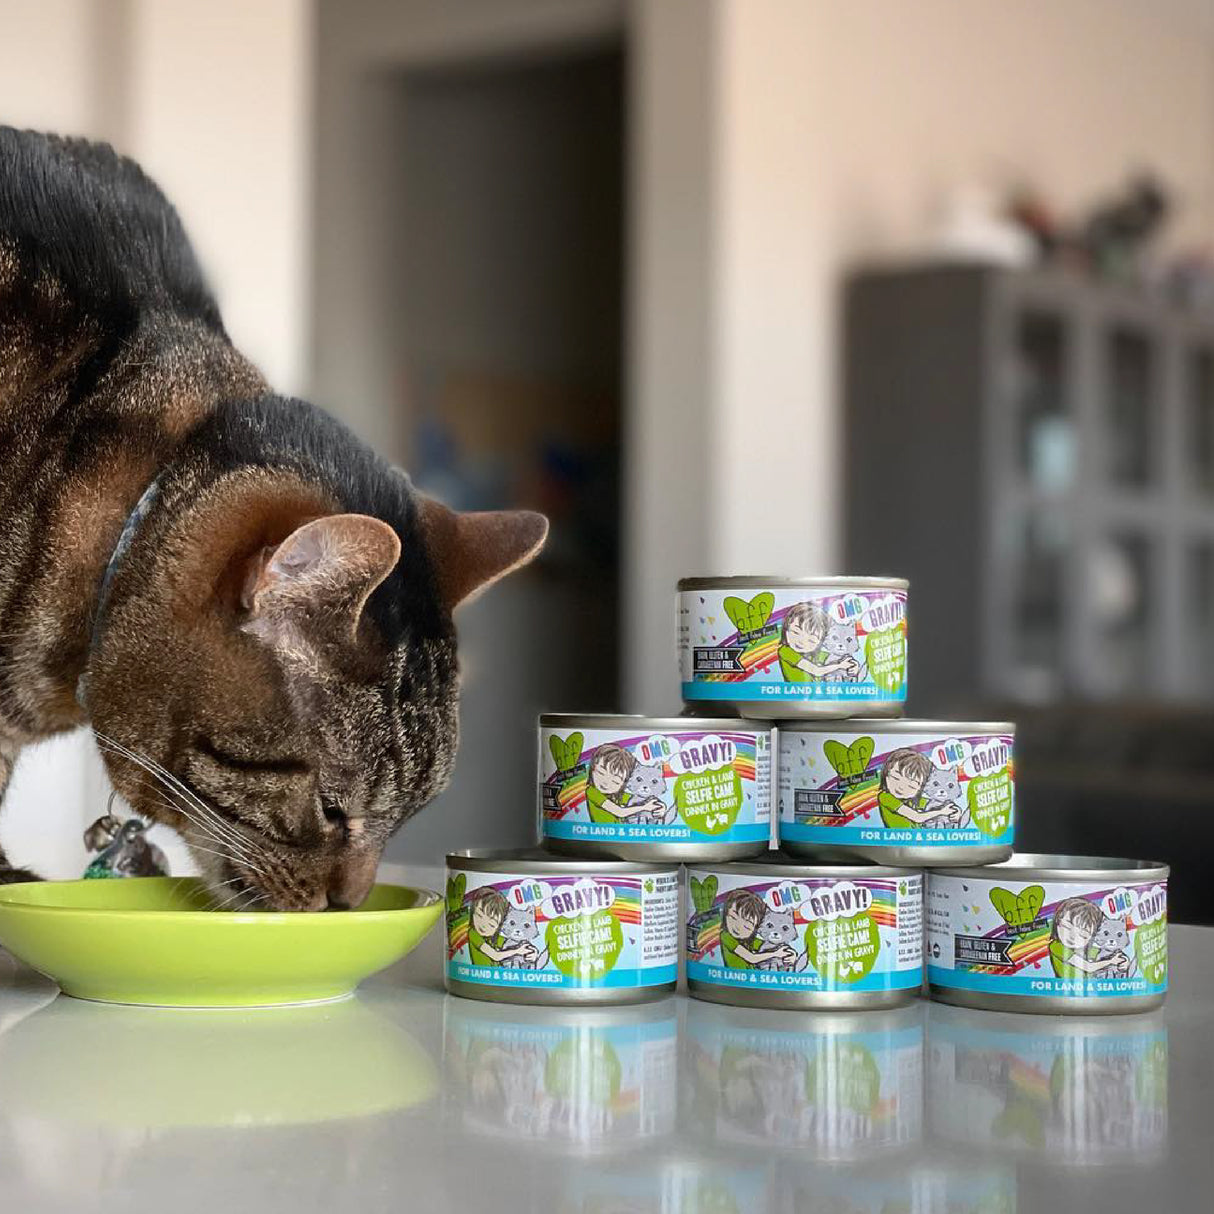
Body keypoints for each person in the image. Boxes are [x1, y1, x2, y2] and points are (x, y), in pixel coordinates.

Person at [777, 602, 858, 683]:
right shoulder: (785, 651)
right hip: (795, 693)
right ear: (786, 629)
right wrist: (840, 665)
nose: (801, 641)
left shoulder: (817, 654)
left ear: (820, 642)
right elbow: (816, 671)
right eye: (795, 632)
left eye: (811, 640)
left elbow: (838, 657)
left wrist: (853, 666)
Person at [1049, 898, 1130, 978]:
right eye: (1067, 927)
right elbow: (1088, 967)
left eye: (1083, 935)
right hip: (1066, 988)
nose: (1072, 936)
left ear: (1092, 936)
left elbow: (1109, 952)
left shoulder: (1089, 949)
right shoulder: (1056, 946)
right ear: (1057, 922)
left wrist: (1124, 961)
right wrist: (1111, 961)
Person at [584, 743, 662, 823]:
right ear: (592, 768)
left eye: (615, 782)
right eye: (601, 773)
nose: (605, 783)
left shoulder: (617, 794)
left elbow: (641, 798)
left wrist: (660, 807)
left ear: (624, 783)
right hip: (603, 832)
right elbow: (619, 812)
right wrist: (644, 807)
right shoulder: (592, 792)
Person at [876, 748, 952, 827]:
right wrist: (941, 811)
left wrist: (955, 811)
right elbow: (917, 817)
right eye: (896, 778)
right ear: (886, 774)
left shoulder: (913, 800)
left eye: (911, 786)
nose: (901, 787)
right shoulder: (885, 797)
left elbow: (936, 803)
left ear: (920, 789)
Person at [719, 890, 794, 969]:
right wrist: (775, 954)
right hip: (736, 976)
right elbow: (751, 958)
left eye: (746, 927)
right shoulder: (726, 936)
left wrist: (791, 954)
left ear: (756, 928)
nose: (737, 927)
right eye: (733, 917)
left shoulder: (749, 939)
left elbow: (772, 945)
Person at [467, 889, 530, 966]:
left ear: (500, 926)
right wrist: (518, 951)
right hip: (480, 975)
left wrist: (531, 952)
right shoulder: (473, 933)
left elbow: (514, 943)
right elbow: (496, 956)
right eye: (479, 915)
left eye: (491, 924)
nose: (483, 925)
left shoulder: (498, 936)